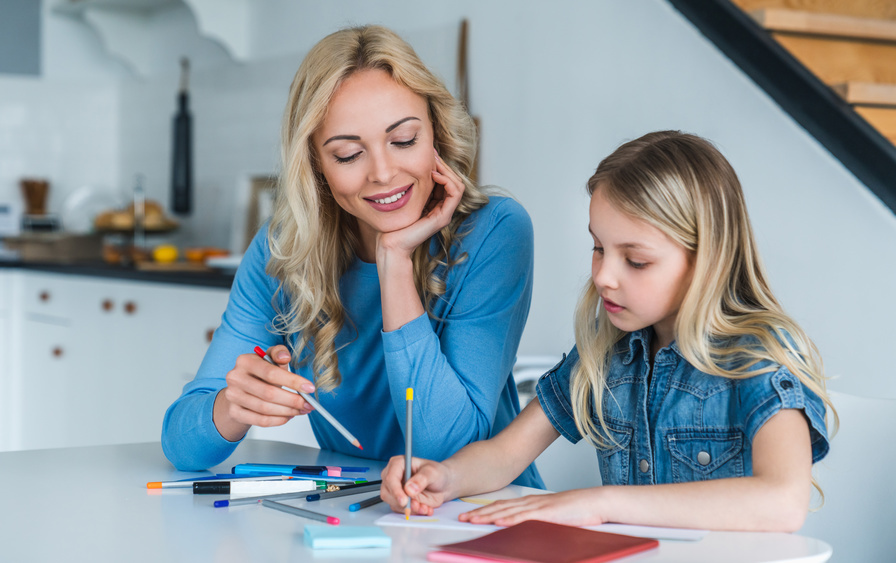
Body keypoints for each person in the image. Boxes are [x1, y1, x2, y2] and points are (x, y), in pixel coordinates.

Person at [380, 131, 835, 532]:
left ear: (706, 259)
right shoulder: (607, 352)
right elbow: (505, 454)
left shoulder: (757, 356)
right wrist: (444, 477)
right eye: (599, 248)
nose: (604, 276)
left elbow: (783, 502)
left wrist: (601, 505)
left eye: (635, 260)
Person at [161, 25, 542, 488]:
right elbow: (181, 446)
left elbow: (444, 450)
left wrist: (395, 262)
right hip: (352, 511)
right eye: (347, 154)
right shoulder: (283, 249)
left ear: (436, 136)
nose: (383, 173)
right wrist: (232, 407)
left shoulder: (495, 232)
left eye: (403, 141)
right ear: (317, 167)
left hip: (480, 516)